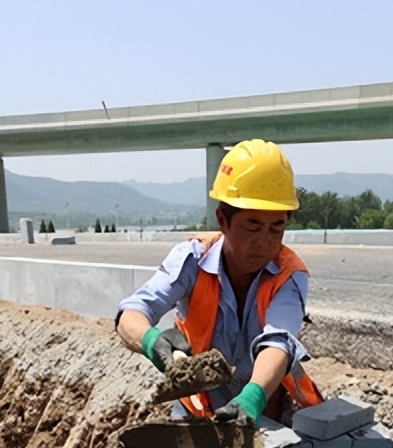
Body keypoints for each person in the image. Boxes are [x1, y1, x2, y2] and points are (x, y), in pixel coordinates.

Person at [116, 139, 323, 426]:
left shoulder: (289, 274)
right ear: (222, 220)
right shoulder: (192, 259)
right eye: (252, 226)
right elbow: (132, 312)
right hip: (196, 406)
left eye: (276, 228)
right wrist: (151, 340)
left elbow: (279, 342)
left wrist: (252, 397)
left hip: (261, 404)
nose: (264, 242)